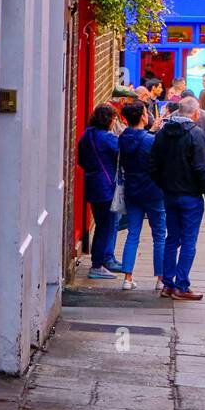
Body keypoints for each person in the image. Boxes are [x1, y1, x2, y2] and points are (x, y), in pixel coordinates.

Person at [148, 95, 205, 300]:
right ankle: (181, 285)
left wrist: (164, 184)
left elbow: (152, 164)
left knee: (171, 239)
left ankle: (167, 284)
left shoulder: (162, 133)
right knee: (188, 241)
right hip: (190, 196)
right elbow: (204, 169)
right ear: (196, 114)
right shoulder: (195, 135)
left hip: (170, 195)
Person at [118, 100, 166, 291]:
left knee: (133, 233)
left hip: (132, 189)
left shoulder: (123, 137)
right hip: (153, 190)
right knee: (159, 235)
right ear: (142, 116)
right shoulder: (151, 140)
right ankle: (160, 278)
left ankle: (127, 277)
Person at [76, 104, 123, 280]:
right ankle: (97, 265)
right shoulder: (108, 139)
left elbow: (81, 159)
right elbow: (122, 154)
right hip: (107, 187)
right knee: (106, 227)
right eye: (114, 118)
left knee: (101, 224)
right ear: (109, 119)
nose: (114, 122)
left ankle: (100, 262)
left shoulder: (87, 135)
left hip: (93, 184)